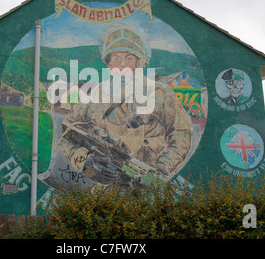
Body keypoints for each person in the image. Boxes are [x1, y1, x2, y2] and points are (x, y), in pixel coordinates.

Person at [54, 23, 192, 190]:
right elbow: (66, 135)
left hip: (146, 186)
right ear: (108, 62)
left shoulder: (159, 93)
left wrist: (161, 170)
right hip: (107, 189)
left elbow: (181, 134)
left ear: (138, 63)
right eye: (116, 58)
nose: (122, 64)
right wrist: (86, 163)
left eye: (129, 58)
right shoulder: (95, 96)